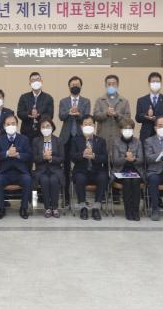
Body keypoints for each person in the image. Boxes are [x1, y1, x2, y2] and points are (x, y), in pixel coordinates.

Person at [58, 76, 91, 205]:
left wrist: (78, 115)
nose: (75, 86)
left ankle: (81, 198)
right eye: (72, 84)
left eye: (77, 84)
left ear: (81, 86)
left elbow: (87, 118)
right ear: (69, 86)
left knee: (81, 167)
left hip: (80, 137)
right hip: (66, 138)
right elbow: (61, 116)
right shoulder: (63, 101)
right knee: (65, 168)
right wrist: (69, 112)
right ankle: (66, 197)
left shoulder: (86, 101)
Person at [0, 114, 33, 219]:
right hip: (4, 173)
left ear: (17, 125)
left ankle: (24, 208)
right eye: (8, 124)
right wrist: (7, 153)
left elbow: (29, 155)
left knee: (28, 179)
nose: (11, 126)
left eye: (13, 124)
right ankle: (1, 208)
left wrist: (18, 155)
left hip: (20, 173)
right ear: (4, 126)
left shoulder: (24, 139)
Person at [70, 114, 109, 221]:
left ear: (94, 126)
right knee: (80, 178)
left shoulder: (101, 140)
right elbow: (72, 156)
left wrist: (94, 156)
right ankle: (83, 207)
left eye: (90, 124)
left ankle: (96, 207)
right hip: (81, 171)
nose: (88, 126)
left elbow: (105, 158)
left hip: (96, 171)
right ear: (81, 126)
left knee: (103, 177)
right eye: (85, 124)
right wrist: (82, 154)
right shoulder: (76, 140)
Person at [111, 118, 144, 221]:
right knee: (127, 181)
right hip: (120, 171)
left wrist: (133, 159)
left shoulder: (138, 142)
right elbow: (115, 161)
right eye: (125, 129)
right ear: (120, 130)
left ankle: (135, 211)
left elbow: (141, 160)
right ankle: (128, 211)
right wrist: (126, 158)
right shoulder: (116, 142)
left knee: (135, 181)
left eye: (130, 129)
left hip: (135, 170)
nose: (127, 131)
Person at [33, 117, 65, 218]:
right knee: (44, 180)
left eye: (48, 126)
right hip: (41, 170)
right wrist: (43, 157)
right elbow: (34, 158)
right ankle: (47, 208)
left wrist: (51, 158)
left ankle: (55, 208)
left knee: (54, 180)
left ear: (52, 127)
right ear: (40, 129)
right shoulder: (36, 141)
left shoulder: (58, 140)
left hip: (55, 170)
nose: (45, 128)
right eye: (43, 127)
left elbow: (62, 158)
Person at [93, 74, 131, 153]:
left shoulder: (124, 101)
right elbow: (95, 116)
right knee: (103, 158)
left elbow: (127, 120)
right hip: (103, 136)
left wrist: (117, 115)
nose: (111, 86)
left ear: (117, 85)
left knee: (117, 158)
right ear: (105, 85)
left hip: (118, 136)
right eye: (109, 84)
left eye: (113, 84)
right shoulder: (99, 100)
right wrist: (106, 114)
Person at [16, 72, 54, 145]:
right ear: (29, 83)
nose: (36, 82)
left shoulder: (48, 98)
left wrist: (39, 116)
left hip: (42, 132)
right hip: (26, 133)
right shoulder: (24, 97)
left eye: (37, 79)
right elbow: (19, 113)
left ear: (41, 81)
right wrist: (29, 113)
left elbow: (50, 115)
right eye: (33, 80)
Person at [135, 72, 163, 143]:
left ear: (161, 83)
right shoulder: (141, 100)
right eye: (153, 81)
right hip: (146, 135)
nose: (155, 83)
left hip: (162, 134)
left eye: (157, 82)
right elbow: (138, 118)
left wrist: (155, 118)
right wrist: (146, 115)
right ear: (149, 83)